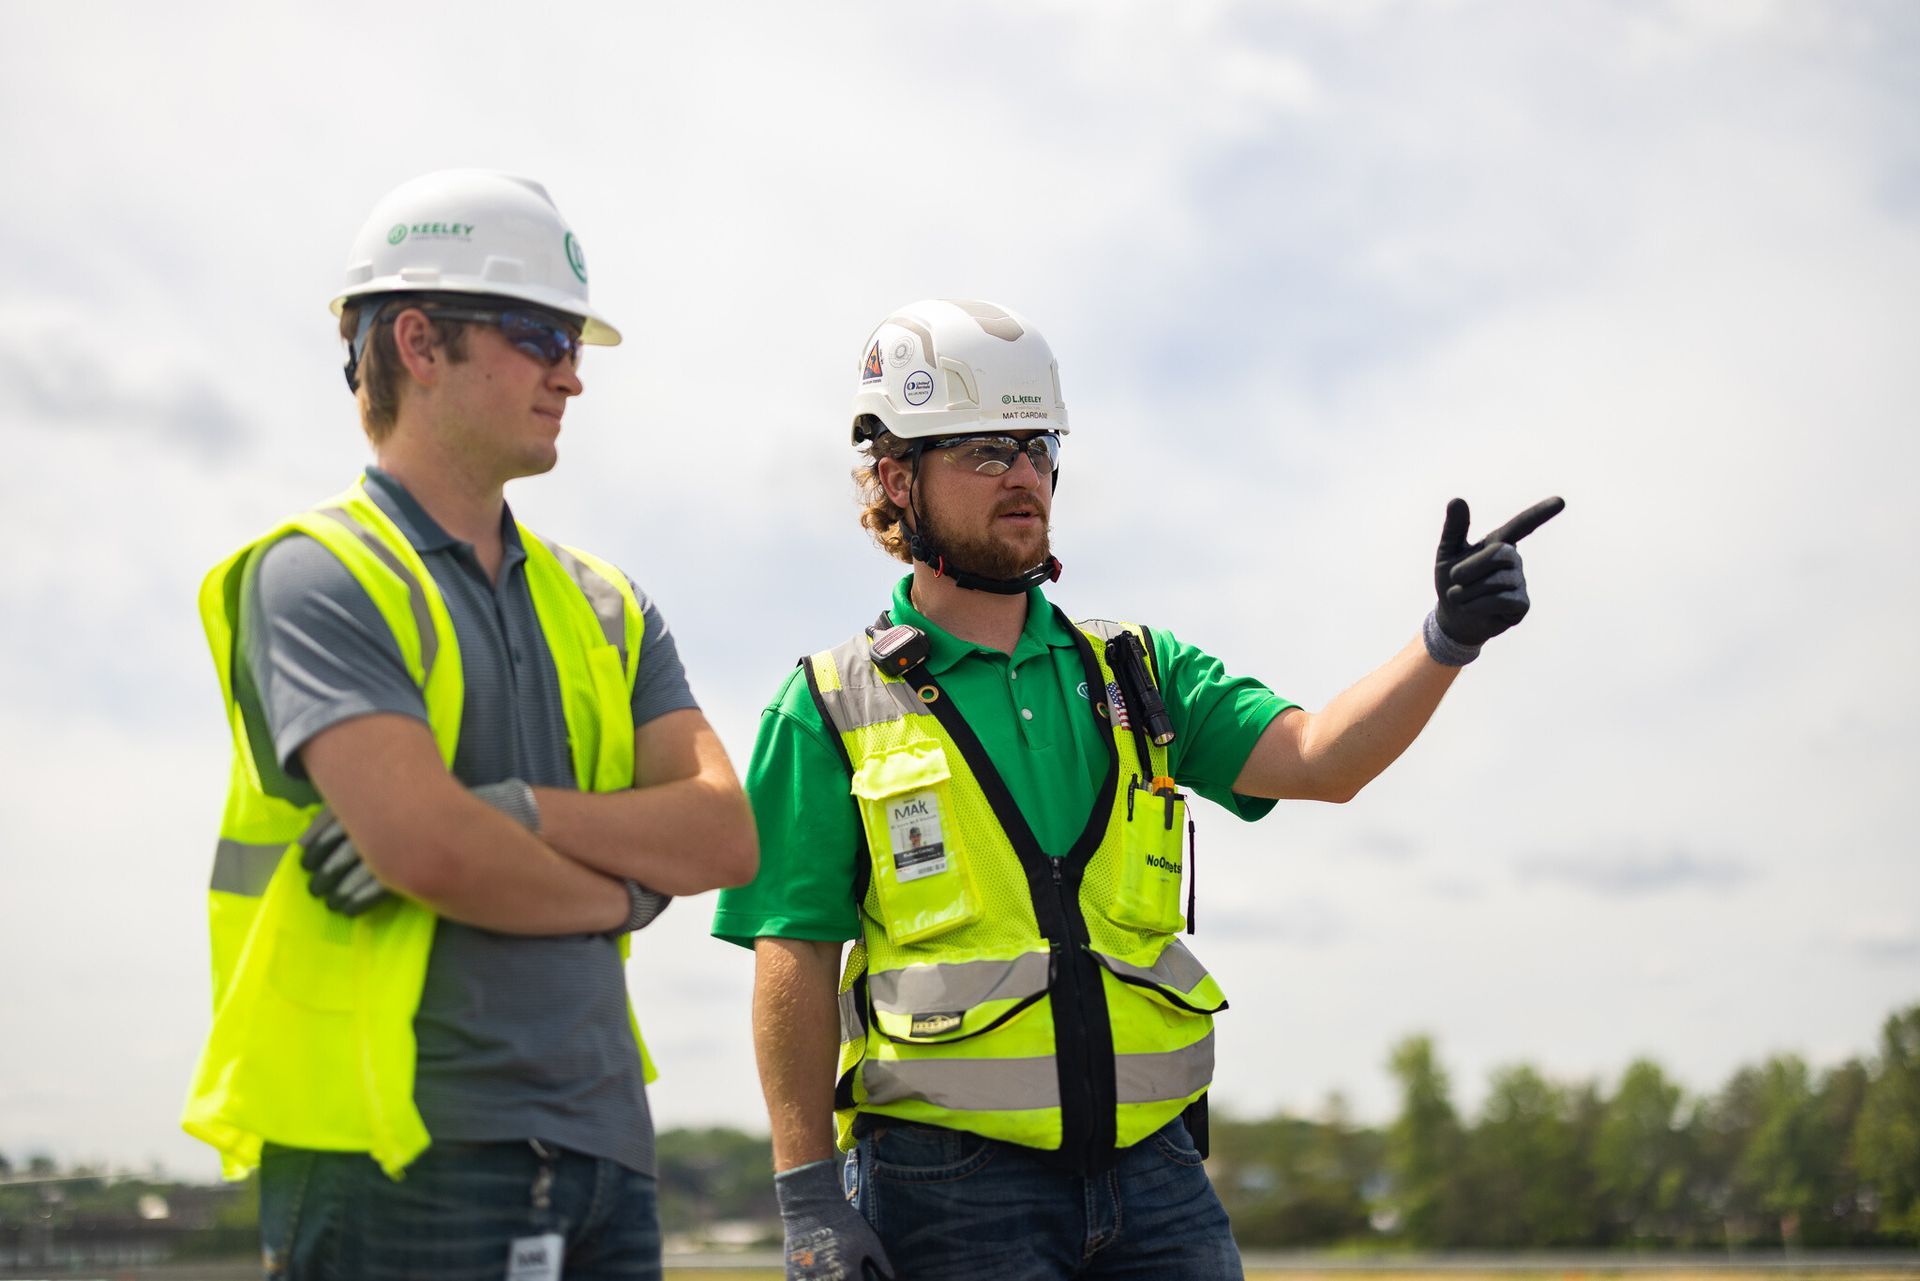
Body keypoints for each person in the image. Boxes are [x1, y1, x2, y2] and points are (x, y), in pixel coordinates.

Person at [712, 298, 1562, 1280]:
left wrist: (1444, 641)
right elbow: (793, 963)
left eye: (1039, 446)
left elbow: (1325, 759)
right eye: (987, 450)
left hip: (1156, 1175)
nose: (1026, 474)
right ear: (896, 478)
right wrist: (810, 1199)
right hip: (946, 1188)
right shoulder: (827, 703)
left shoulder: (1137, 672)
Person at [184, 169, 757, 1280]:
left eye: (573, 343)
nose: (572, 376)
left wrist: (524, 809)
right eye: (539, 334)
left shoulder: (607, 604)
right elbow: (429, 849)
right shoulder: (318, 576)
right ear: (418, 341)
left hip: (603, 1147)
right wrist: (624, 897)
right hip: (394, 1149)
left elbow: (725, 839)